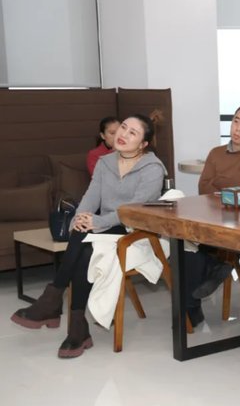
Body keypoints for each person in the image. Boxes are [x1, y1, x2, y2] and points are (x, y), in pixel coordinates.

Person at [11, 114, 166, 358]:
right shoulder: (105, 162)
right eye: (123, 127)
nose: (123, 134)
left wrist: (97, 222)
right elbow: (91, 197)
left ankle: (54, 301)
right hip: (104, 227)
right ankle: (76, 326)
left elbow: (134, 210)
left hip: (135, 231)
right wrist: (78, 219)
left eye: (133, 133)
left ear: (143, 144)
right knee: (83, 245)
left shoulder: (153, 168)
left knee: (85, 238)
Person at [189, 105, 240, 323]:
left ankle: (194, 302)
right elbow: (203, 187)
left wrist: (219, 184)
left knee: (198, 251)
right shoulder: (216, 153)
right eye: (236, 121)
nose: (238, 129)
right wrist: (227, 187)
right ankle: (211, 273)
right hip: (213, 214)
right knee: (187, 250)